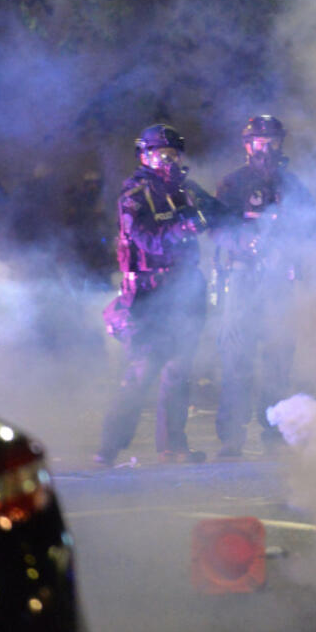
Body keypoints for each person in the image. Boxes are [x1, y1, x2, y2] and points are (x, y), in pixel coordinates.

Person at [99, 124, 226, 465]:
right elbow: (147, 239)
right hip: (149, 293)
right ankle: (109, 446)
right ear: (144, 155)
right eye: (161, 154)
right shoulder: (135, 194)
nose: (169, 160)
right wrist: (187, 224)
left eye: (174, 154)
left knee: (179, 368)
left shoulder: (186, 188)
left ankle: (173, 446)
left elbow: (218, 213)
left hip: (186, 289)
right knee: (142, 368)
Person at [212, 115, 316, 457]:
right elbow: (217, 228)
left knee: (279, 355)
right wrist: (246, 243)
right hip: (244, 278)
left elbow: (312, 227)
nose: (268, 147)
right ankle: (231, 436)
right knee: (236, 355)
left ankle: (274, 430)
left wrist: (295, 254)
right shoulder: (233, 184)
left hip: (279, 281)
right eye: (261, 141)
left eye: (274, 140)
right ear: (247, 145)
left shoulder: (293, 185)